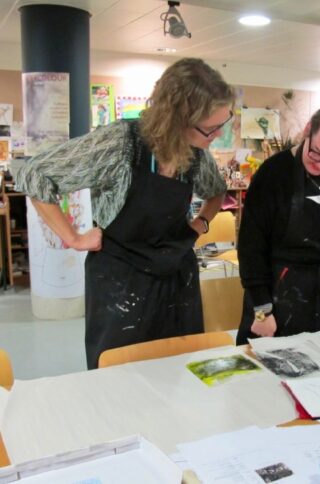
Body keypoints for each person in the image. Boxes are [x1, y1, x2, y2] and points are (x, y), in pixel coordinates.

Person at [16, 58, 234, 368]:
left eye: (221, 125)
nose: (216, 136)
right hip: (122, 280)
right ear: (177, 118)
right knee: (119, 372)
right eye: (210, 129)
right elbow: (35, 175)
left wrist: (200, 223)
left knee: (179, 369)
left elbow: (216, 191)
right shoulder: (120, 143)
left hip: (175, 276)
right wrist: (73, 238)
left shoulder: (195, 152)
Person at [236, 96, 320, 344]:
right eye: (317, 153)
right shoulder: (272, 174)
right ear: (308, 129)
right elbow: (250, 248)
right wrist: (262, 309)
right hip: (278, 300)